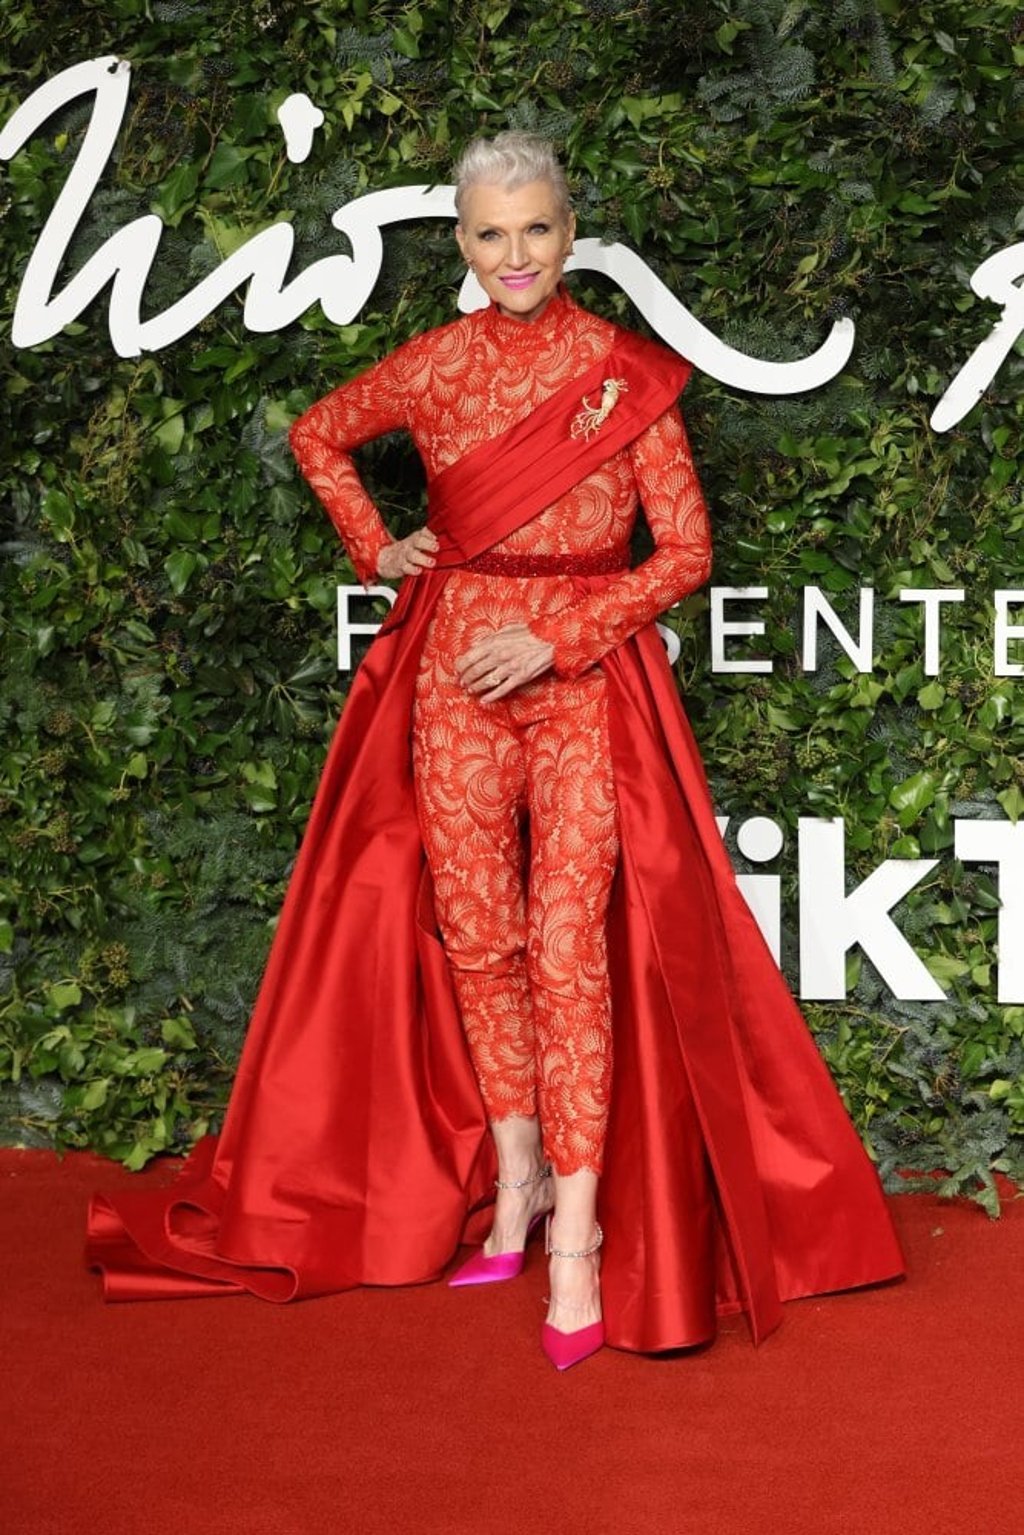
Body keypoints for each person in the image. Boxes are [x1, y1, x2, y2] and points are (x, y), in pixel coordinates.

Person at [86, 133, 905, 1369]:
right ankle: (516, 1182)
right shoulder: (433, 364)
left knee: (571, 943)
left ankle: (576, 1233)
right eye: (488, 232)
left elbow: (684, 555)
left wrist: (560, 635)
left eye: (535, 229)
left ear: (569, 233)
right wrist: (379, 545)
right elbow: (319, 433)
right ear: (461, 242)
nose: (513, 253)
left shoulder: (625, 374)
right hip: (451, 681)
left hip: (575, 682)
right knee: (481, 936)